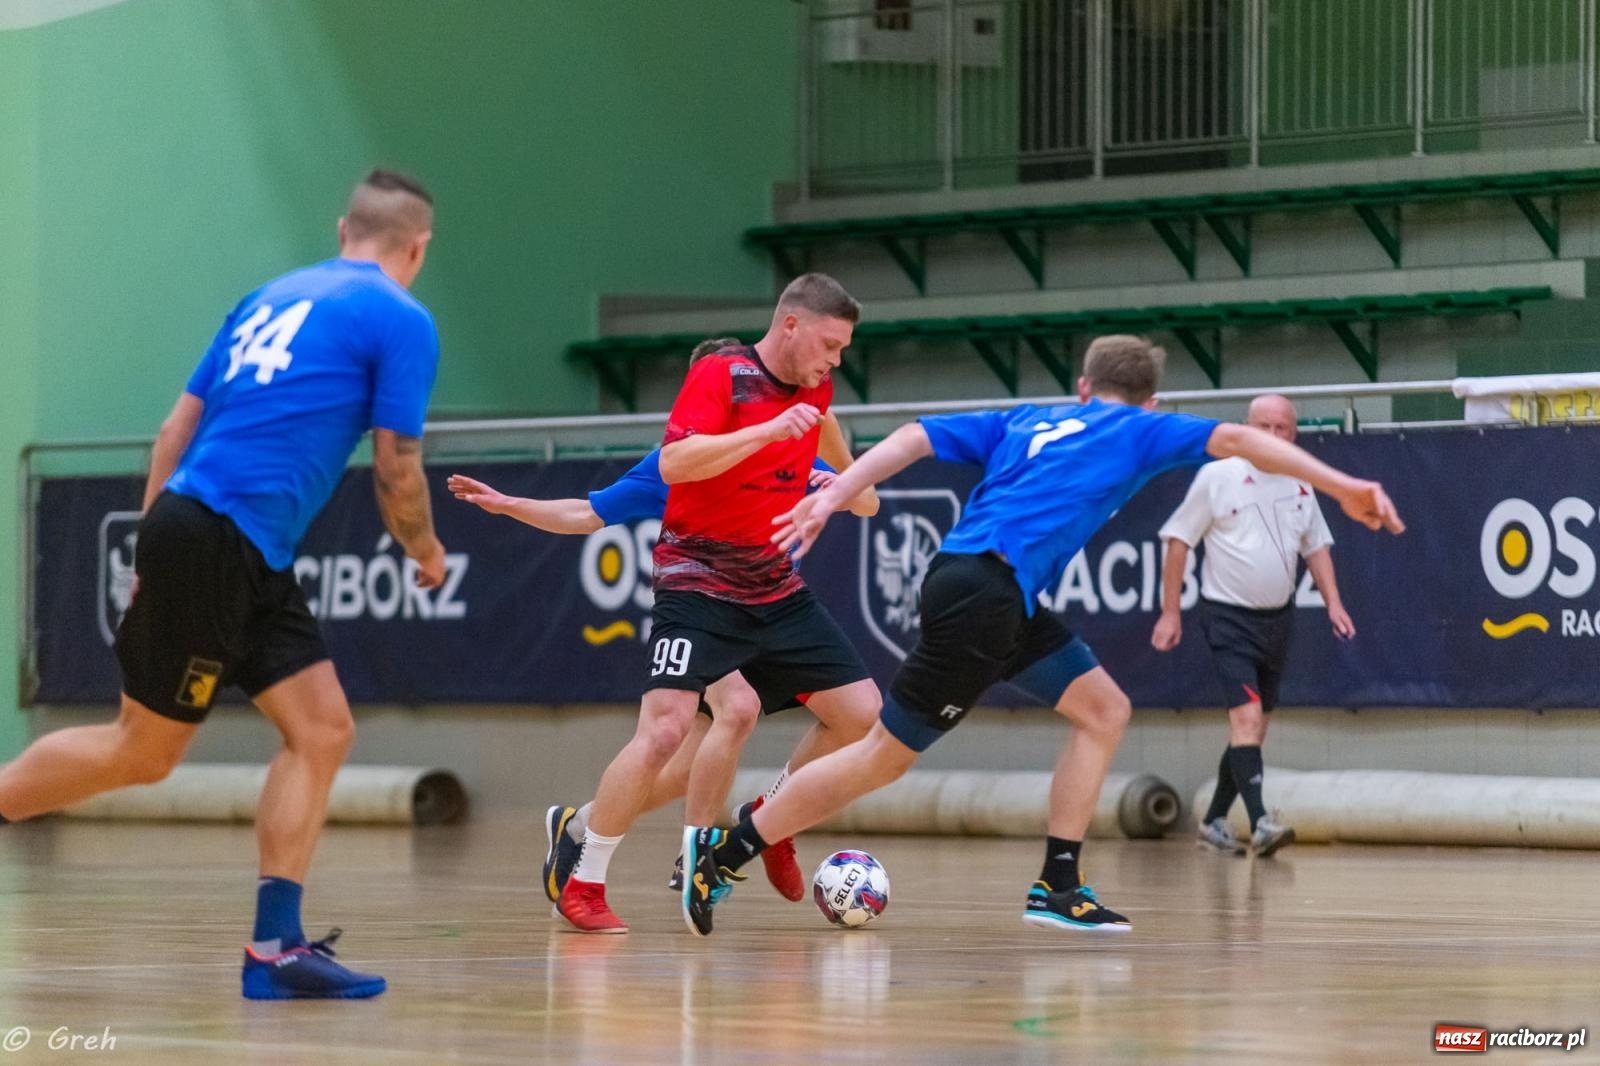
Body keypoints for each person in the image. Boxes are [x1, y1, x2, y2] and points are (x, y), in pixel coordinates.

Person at [685, 334, 1403, 937]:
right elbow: (1243, 438)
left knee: (1104, 710)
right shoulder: (1141, 429)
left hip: (986, 587)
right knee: (881, 758)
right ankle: (731, 851)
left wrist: (837, 494)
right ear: (1151, 401)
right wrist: (1345, 487)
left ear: (1084, 386)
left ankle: (1058, 883)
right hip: (985, 595)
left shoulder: (1029, 417)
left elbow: (911, 437)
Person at [0, 170, 444, 998]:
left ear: (342, 227)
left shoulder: (266, 297)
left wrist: (147, 547)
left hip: (225, 540)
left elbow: (175, 430)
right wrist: (423, 547)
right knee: (143, 752)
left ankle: (276, 949)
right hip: (218, 537)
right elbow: (397, 466)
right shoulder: (401, 318)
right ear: (416, 247)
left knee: (322, 729)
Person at [446, 339, 877, 903]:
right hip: (703, 605)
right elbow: (584, 513)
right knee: (736, 711)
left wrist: (839, 482)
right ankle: (694, 862)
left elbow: (866, 502)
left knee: (683, 769)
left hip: (770, 607)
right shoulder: (675, 463)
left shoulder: (789, 444)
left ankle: (589, 825)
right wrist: (511, 506)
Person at [553, 275, 885, 934]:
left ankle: (773, 813)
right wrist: (765, 434)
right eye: (830, 343)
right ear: (790, 325)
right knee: (668, 731)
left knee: (863, 717)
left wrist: (834, 483)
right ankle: (585, 874)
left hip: (773, 587)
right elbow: (676, 463)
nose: (835, 361)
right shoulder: (721, 374)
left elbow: (863, 496)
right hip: (697, 581)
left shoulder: (818, 394)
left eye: (844, 348)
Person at [1151, 393, 1355, 858]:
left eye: (1281, 429)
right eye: (1262, 427)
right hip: (1227, 616)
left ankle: (1214, 820)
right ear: (1244, 428)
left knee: (1254, 730)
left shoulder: (1301, 480)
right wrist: (1170, 611)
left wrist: (1334, 605)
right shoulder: (1217, 477)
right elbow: (1179, 541)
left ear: (1293, 433)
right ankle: (1261, 822)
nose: (1272, 437)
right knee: (1244, 719)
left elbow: (1316, 546)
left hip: (1277, 620)